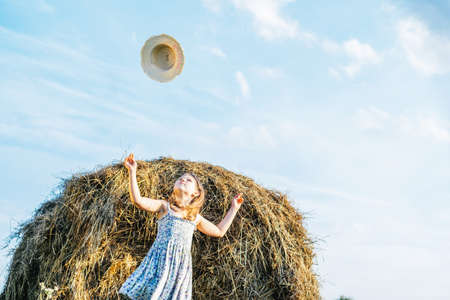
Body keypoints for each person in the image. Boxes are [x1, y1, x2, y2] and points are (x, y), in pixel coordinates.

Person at [118, 153, 244, 300]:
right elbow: (138, 200)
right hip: (159, 262)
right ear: (174, 187)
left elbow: (219, 231)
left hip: (179, 269)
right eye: (180, 178)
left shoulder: (195, 217)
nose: (183, 179)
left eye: (189, 180)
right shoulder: (164, 206)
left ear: (195, 193)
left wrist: (234, 208)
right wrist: (132, 172)